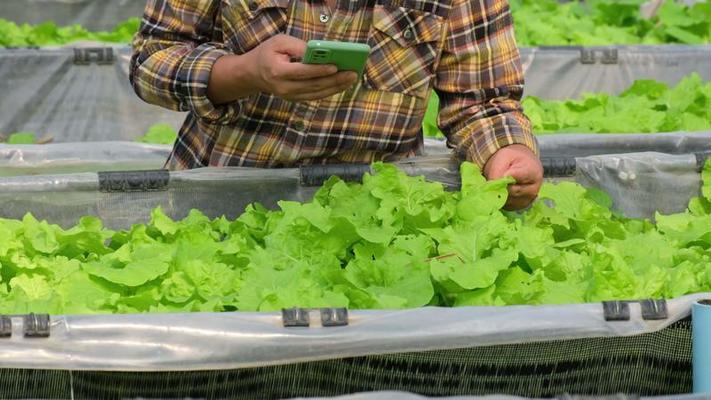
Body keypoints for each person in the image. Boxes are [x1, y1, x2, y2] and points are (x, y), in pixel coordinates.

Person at [130, 0, 543, 209]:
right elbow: (151, 60)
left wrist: (509, 153)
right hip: (215, 205)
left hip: (370, 226)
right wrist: (246, 72)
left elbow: (483, 100)